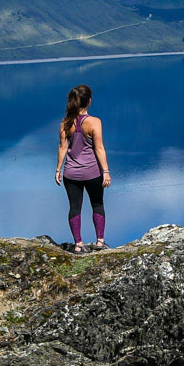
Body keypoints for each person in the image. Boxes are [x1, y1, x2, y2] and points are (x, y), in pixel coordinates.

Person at [55, 84, 110, 253]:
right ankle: (100, 242)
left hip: (71, 174)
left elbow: (62, 147)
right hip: (93, 173)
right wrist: (106, 172)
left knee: (74, 207)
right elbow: (99, 148)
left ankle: (78, 244)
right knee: (97, 204)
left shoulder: (65, 123)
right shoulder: (94, 122)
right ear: (89, 101)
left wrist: (58, 170)